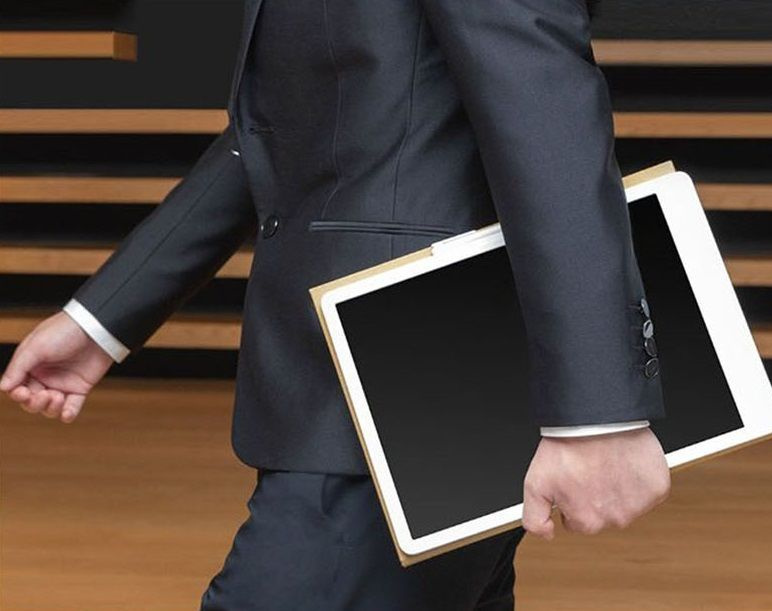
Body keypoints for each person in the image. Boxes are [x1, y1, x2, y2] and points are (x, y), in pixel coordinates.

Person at [0, 0, 671, 608]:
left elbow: (547, 118)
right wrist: (103, 319)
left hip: (412, 392)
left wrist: (597, 415)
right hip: (363, 394)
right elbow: (283, 129)